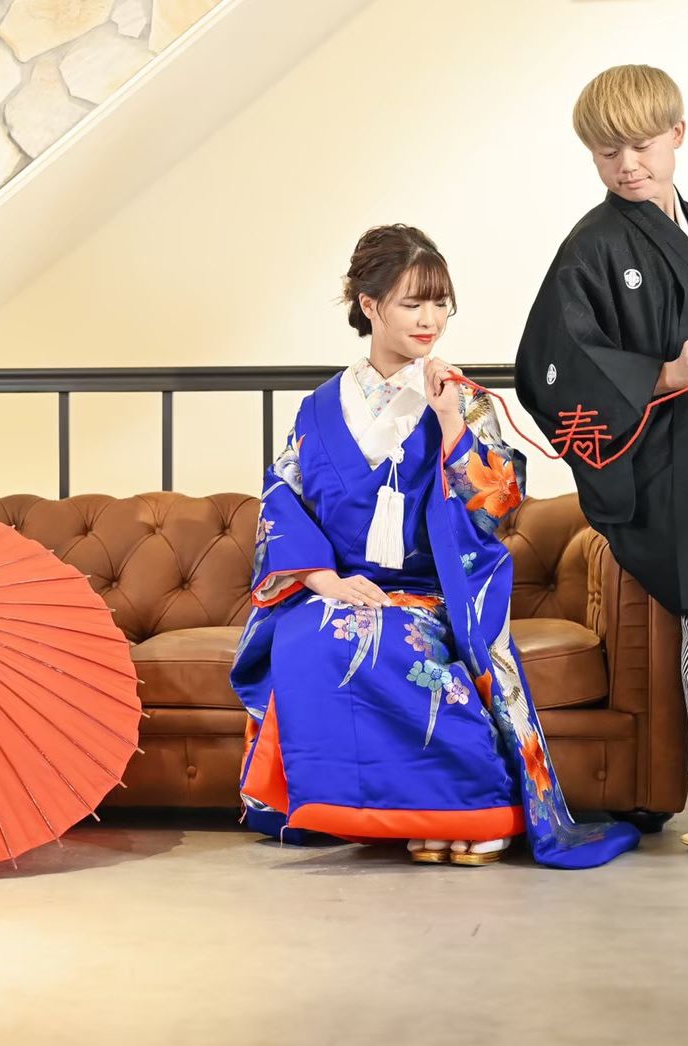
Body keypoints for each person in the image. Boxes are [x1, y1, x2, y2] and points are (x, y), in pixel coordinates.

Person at [230, 224, 639, 869]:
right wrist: (324, 582)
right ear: (369, 305)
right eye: (412, 303)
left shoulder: (460, 399)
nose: (431, 320)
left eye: (441, 303)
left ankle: (478, 812)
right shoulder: (319, 408)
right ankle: (374, 815)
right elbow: (283, 496)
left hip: (437, 586)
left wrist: (451, 424)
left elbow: (499, 505)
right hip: (342, 584)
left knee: (398, 639)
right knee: (311, 634)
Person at [515, 65, 688, 864]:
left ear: (677, 134)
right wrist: (664, 375)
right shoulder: (593, 247)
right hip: (665, 465)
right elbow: (550, 368)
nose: (626, 165)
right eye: (607, 152)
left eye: (640, 145)